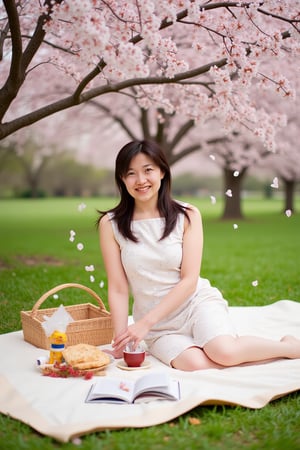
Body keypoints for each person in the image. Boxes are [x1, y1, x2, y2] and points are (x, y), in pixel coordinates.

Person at [97, 140, 300, 371]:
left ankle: (289, 348)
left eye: (148, 170)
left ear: (162, 172)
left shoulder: (188, 215)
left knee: (224, 353)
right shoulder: (110, 224)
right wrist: (121, 339)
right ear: (122, 179)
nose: (141, 180)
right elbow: (118, 287)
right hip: (158, 325)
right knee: (195, 364)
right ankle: (235, 352)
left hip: (194, 304)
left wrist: (143, 323)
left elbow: (189, 280)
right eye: (131, 173)